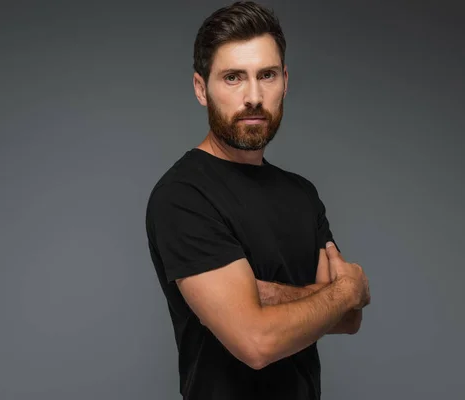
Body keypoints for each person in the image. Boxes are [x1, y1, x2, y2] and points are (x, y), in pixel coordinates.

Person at [144, 2, 371, 399]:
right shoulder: (183, 196)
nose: (253, 96)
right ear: (201, 88)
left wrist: (264, 294)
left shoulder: (302, 194)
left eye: (266, 75)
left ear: (284, 80)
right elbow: (256, 342)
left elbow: (349, 319)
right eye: (233, 77)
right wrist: (344, 290)